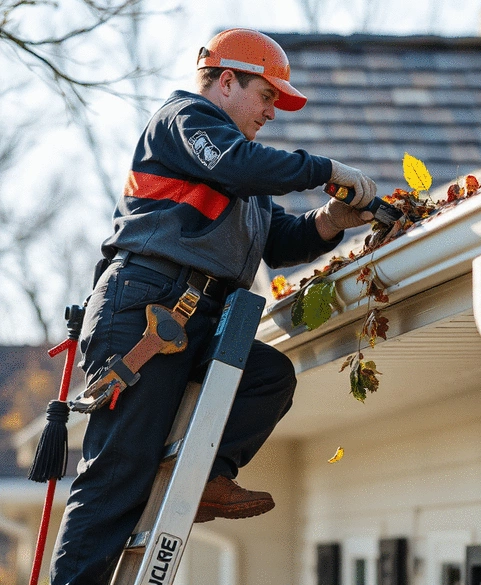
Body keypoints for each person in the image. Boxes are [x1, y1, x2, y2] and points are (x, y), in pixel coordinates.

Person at [50, 28, 377, 585]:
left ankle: (207, 478)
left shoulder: (240, 176)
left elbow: (278, 240)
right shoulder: (186, 123)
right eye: (267, 96)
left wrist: (328, 223)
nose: (273, 112)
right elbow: (240, 164)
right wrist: (324, 170)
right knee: (115, 481)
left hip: (195, 317)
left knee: (267, 375)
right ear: (226, 81)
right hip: (145, 312)